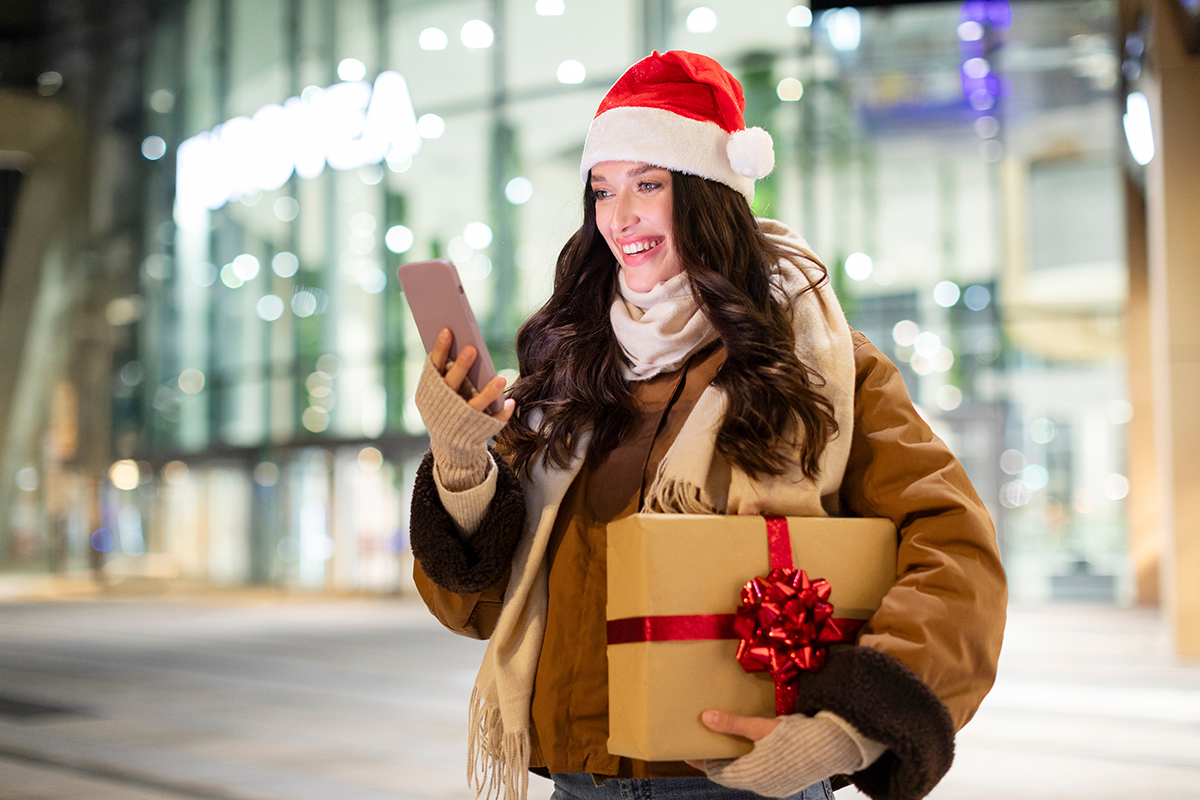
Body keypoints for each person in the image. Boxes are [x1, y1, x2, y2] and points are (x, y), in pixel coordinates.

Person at [408, 51, 1006, 800]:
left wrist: (849, 727)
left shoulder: (822, 365)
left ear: (708, 193)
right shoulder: (569, 373)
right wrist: (463, 467)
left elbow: (954, 552)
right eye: (602, 189)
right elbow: (480, 606)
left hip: (739, 782)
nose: (618, 216)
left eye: (648, 185)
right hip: (575, 781)